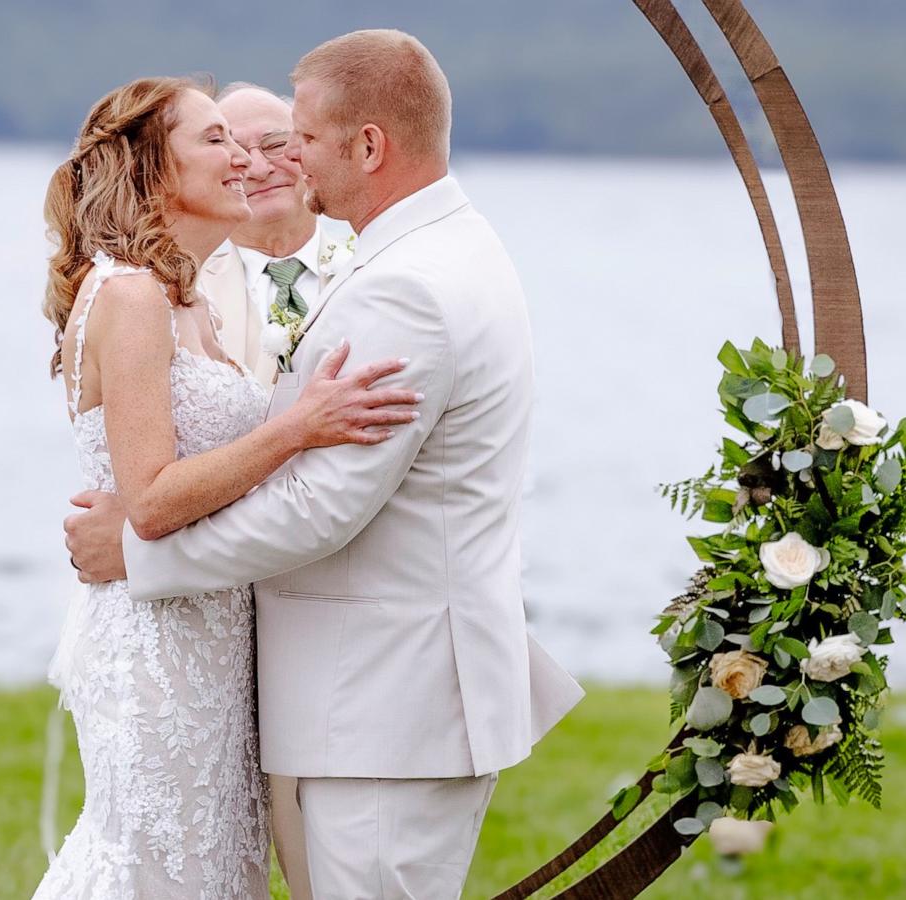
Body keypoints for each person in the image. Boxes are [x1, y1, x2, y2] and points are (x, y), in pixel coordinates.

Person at [64, 32, 586, 898]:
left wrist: (140, 554)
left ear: (369, 145)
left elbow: (320, 509)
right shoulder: (445, 248)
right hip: (367, 701)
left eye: (300, 137)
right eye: (225, 140)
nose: (276, 158)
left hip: (385, 709)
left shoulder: (405, 288)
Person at [33, 75, 422, 898]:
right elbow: (152, 499)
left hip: (213, 633)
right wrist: (299, 427)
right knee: (156, 866)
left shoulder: (187, 301)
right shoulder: (132, 295)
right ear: (151, 166)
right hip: (157, 644)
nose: (245, 157)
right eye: (216, 140)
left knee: (213, 868)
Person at [200, 83, 355, 386]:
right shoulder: (185, 290)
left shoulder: (368, 267)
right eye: (237, 153)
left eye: (275, 144)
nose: (258, 168)